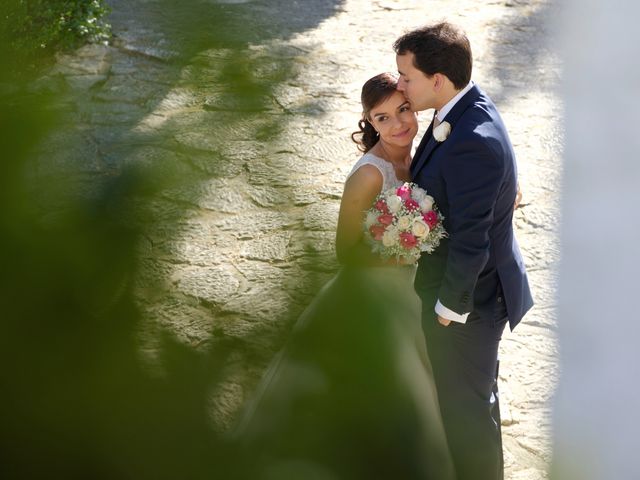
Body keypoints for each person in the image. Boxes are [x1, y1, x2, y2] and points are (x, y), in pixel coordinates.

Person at [231, 73, 455, 480]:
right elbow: (344, 251)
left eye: (403, 109)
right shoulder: (369, 174)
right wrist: (402, 249)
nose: (398, 123)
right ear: (369, 122)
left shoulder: (421, 153)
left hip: (413, 287)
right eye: (382, 118)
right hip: (373, 292)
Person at [394, 22, 534, 480]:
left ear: (437, 80)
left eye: (406, 76)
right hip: (468, 295)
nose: (400, 86)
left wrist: (447, 310)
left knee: (466, 415)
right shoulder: (464, 108)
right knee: (473, 403)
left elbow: (471, 239)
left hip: (467, 307)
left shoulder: (472, 139)